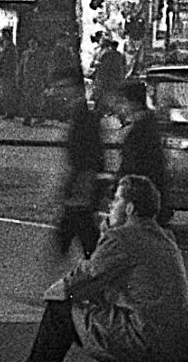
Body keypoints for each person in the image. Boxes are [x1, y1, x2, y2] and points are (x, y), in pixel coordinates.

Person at [26, 175, 188, 362]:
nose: (110, 206)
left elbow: (85, 278)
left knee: (60, 309)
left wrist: (53, 293)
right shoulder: (165, 238)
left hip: (146, 341)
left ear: (130, 208)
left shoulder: (122, 238)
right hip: (179, 342)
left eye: (117, 200)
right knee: (98, 309)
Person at [52, 65, 104, 258]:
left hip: (83, 180)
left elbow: (89, 152)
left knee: (80, 225)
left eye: (63, 88)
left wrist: (81, 181)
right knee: (77, 226)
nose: (59, 93)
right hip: (81, 180)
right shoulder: (79, 114)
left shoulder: (84, 116)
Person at [114, 80, 171, 226]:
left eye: (122, 101)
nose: (119, 106)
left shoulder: (140, 130)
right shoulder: (146, 125)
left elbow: (133, 166)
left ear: (133, 103)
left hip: (142, 203)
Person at [88, 38, 126, 115]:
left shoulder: (105, 54)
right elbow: (123, 67)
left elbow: (101, 70)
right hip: (115, 82)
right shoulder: (119, 55)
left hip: (106, 83)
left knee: (104, 103)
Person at [0, 28, 21, 121]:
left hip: (8, 75)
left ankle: (9, 113)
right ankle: (8, 112)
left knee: (8, 94)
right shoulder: (8, 48)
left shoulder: (10, 49)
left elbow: (9, 63)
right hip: (7, 74)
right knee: (6, 94)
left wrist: (2, 72)